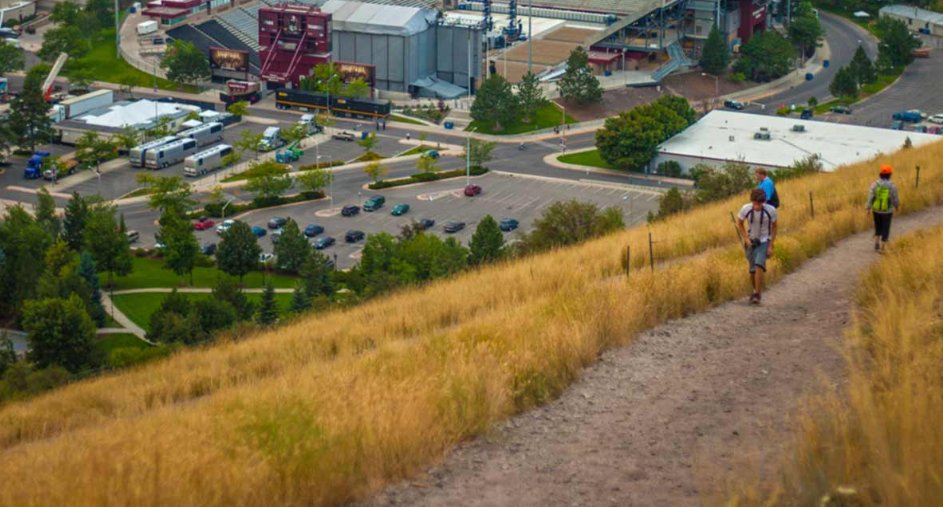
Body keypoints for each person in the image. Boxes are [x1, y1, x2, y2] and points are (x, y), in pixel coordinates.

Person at [737, 188, 778, 305]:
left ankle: (757, 294)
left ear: (764, 202)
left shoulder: (771, 211)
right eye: (755, 203)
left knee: (759, 264)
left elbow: (775, 226)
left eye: (759, 203)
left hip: (764, 241)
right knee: (752, 270)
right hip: (750, 241)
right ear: (752, 201)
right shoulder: (746, 209)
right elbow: (739, 223)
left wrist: (771, 245)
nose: (757, 206)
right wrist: (746, 238)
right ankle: (755, 290)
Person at [866, 164, 900, 253]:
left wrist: (868, 208)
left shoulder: (875, 184)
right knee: (886, 227)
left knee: (878, 226)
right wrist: (896, 206)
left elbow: (870, 196)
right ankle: (883, 247)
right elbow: (895, 198)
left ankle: (876, 242)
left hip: (876, 210)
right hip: (887, 211)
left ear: (880, 174)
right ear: (889, 175)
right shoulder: (892, 186)